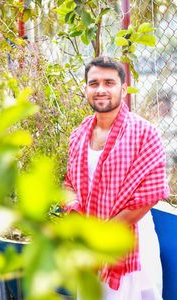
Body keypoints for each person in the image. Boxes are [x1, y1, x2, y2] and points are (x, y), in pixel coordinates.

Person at [64, 56, 170, 300]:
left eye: (109, 82)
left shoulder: (145, 133)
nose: (101, 89)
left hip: (132, 247)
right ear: (86, 88)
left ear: (123, 89)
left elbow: (149, 195)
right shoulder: (79, 134)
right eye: (94, 83)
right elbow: (69, 184)